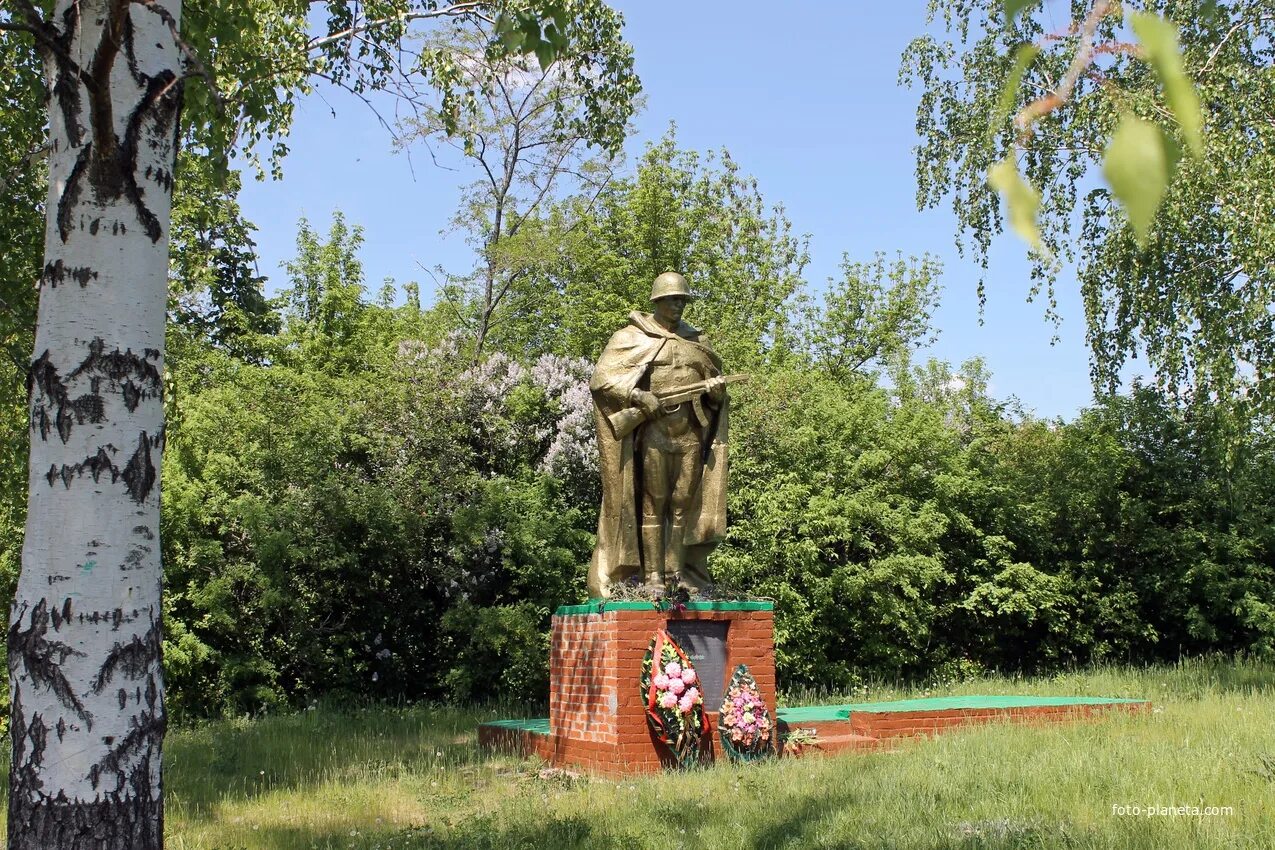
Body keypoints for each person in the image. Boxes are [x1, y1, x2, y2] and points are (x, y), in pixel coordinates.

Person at [587, 272, 730, 598]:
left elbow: (715, 399)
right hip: (653, 436)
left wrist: (717, 394)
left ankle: (676, 575)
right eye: (672, 299)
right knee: (654, 504)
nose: (678, 305)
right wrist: (639, 397)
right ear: (657, 301)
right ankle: (652, 578)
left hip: (689, 436)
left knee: (682, 505)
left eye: (682, 299)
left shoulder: (697, 342)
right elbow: (602, 380)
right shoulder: (632, 337)